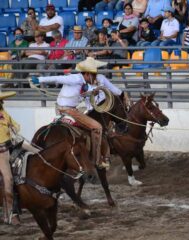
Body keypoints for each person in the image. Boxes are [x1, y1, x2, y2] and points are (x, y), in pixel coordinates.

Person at [31, 57, 125, 169]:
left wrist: (91, 91)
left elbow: (87, 90)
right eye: (93, 75)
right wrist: (40, 79)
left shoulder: (84, 83)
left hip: (61, 110)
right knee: (98, 127)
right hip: (70, 110)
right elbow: (58, 78)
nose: (95, 77)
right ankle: (97, 160)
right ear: (87, 74)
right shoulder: (76, 79)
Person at [0, 91, 39, 225]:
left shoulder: (4, 114)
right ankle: (10, 214)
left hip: (10, 144)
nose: (2, 103)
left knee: (37, 151)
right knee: (8, 179)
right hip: (2, 152)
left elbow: (15, 124)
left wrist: (14, 127)